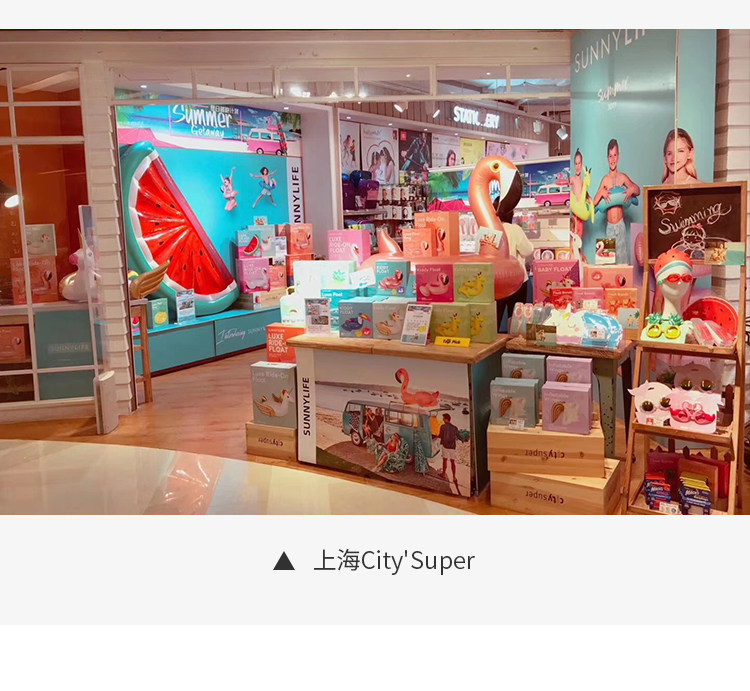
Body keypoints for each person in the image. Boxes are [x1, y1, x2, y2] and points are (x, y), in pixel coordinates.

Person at [592, 138, 640, 264]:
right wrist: (601, 193)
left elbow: (637, 190)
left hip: (620, 224)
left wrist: (631, 190)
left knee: (622, 256)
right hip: (609, 226)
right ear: (607, 158)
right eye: (610, 156)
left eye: (615, 155)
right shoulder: (605, 179)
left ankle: (623, 275)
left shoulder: (622, 177)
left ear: (618, 156)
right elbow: (594, 203)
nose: (612, 159)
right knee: (608, 260)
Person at [438, 413, 461, 490]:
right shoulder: (455, 428)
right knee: (452, 462)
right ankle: (454, 477)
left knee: (445, 460)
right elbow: (458, 436)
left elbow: (440, 436)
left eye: (443, 418)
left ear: (446, 419)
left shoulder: (443, 426)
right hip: (452, 446)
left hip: (445, 445)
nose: (442, 419)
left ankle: (443, 473)